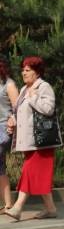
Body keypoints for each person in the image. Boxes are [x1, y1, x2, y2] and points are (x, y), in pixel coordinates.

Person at [4, 56, 61, 221]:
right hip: (29, 141)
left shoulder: (44, 87)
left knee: (29, 172)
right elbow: (21, 112)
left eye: (27, 70)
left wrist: (34, 97)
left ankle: (17, 207)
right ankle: (50, 209)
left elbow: (49, 109)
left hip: (41, 142)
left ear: (37, 72)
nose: (23, 73)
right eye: (23, 69)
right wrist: (13, 120)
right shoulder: (23, 89)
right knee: (38, 176)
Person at [0, 55, 19, 212]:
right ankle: (8, 204)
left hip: (4, 129)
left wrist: (12, 120)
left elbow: (18, 108)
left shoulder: (9, 84)